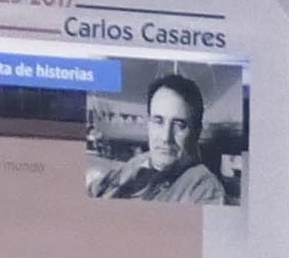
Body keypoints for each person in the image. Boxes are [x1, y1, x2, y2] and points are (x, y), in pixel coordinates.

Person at [86, 69, 235, 206]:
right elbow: (94, 190)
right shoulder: (141, 162)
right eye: (158, 121)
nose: (165, 137)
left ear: (197, 131)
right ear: (149, 124)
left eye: (179, 125)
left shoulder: (204, 190)